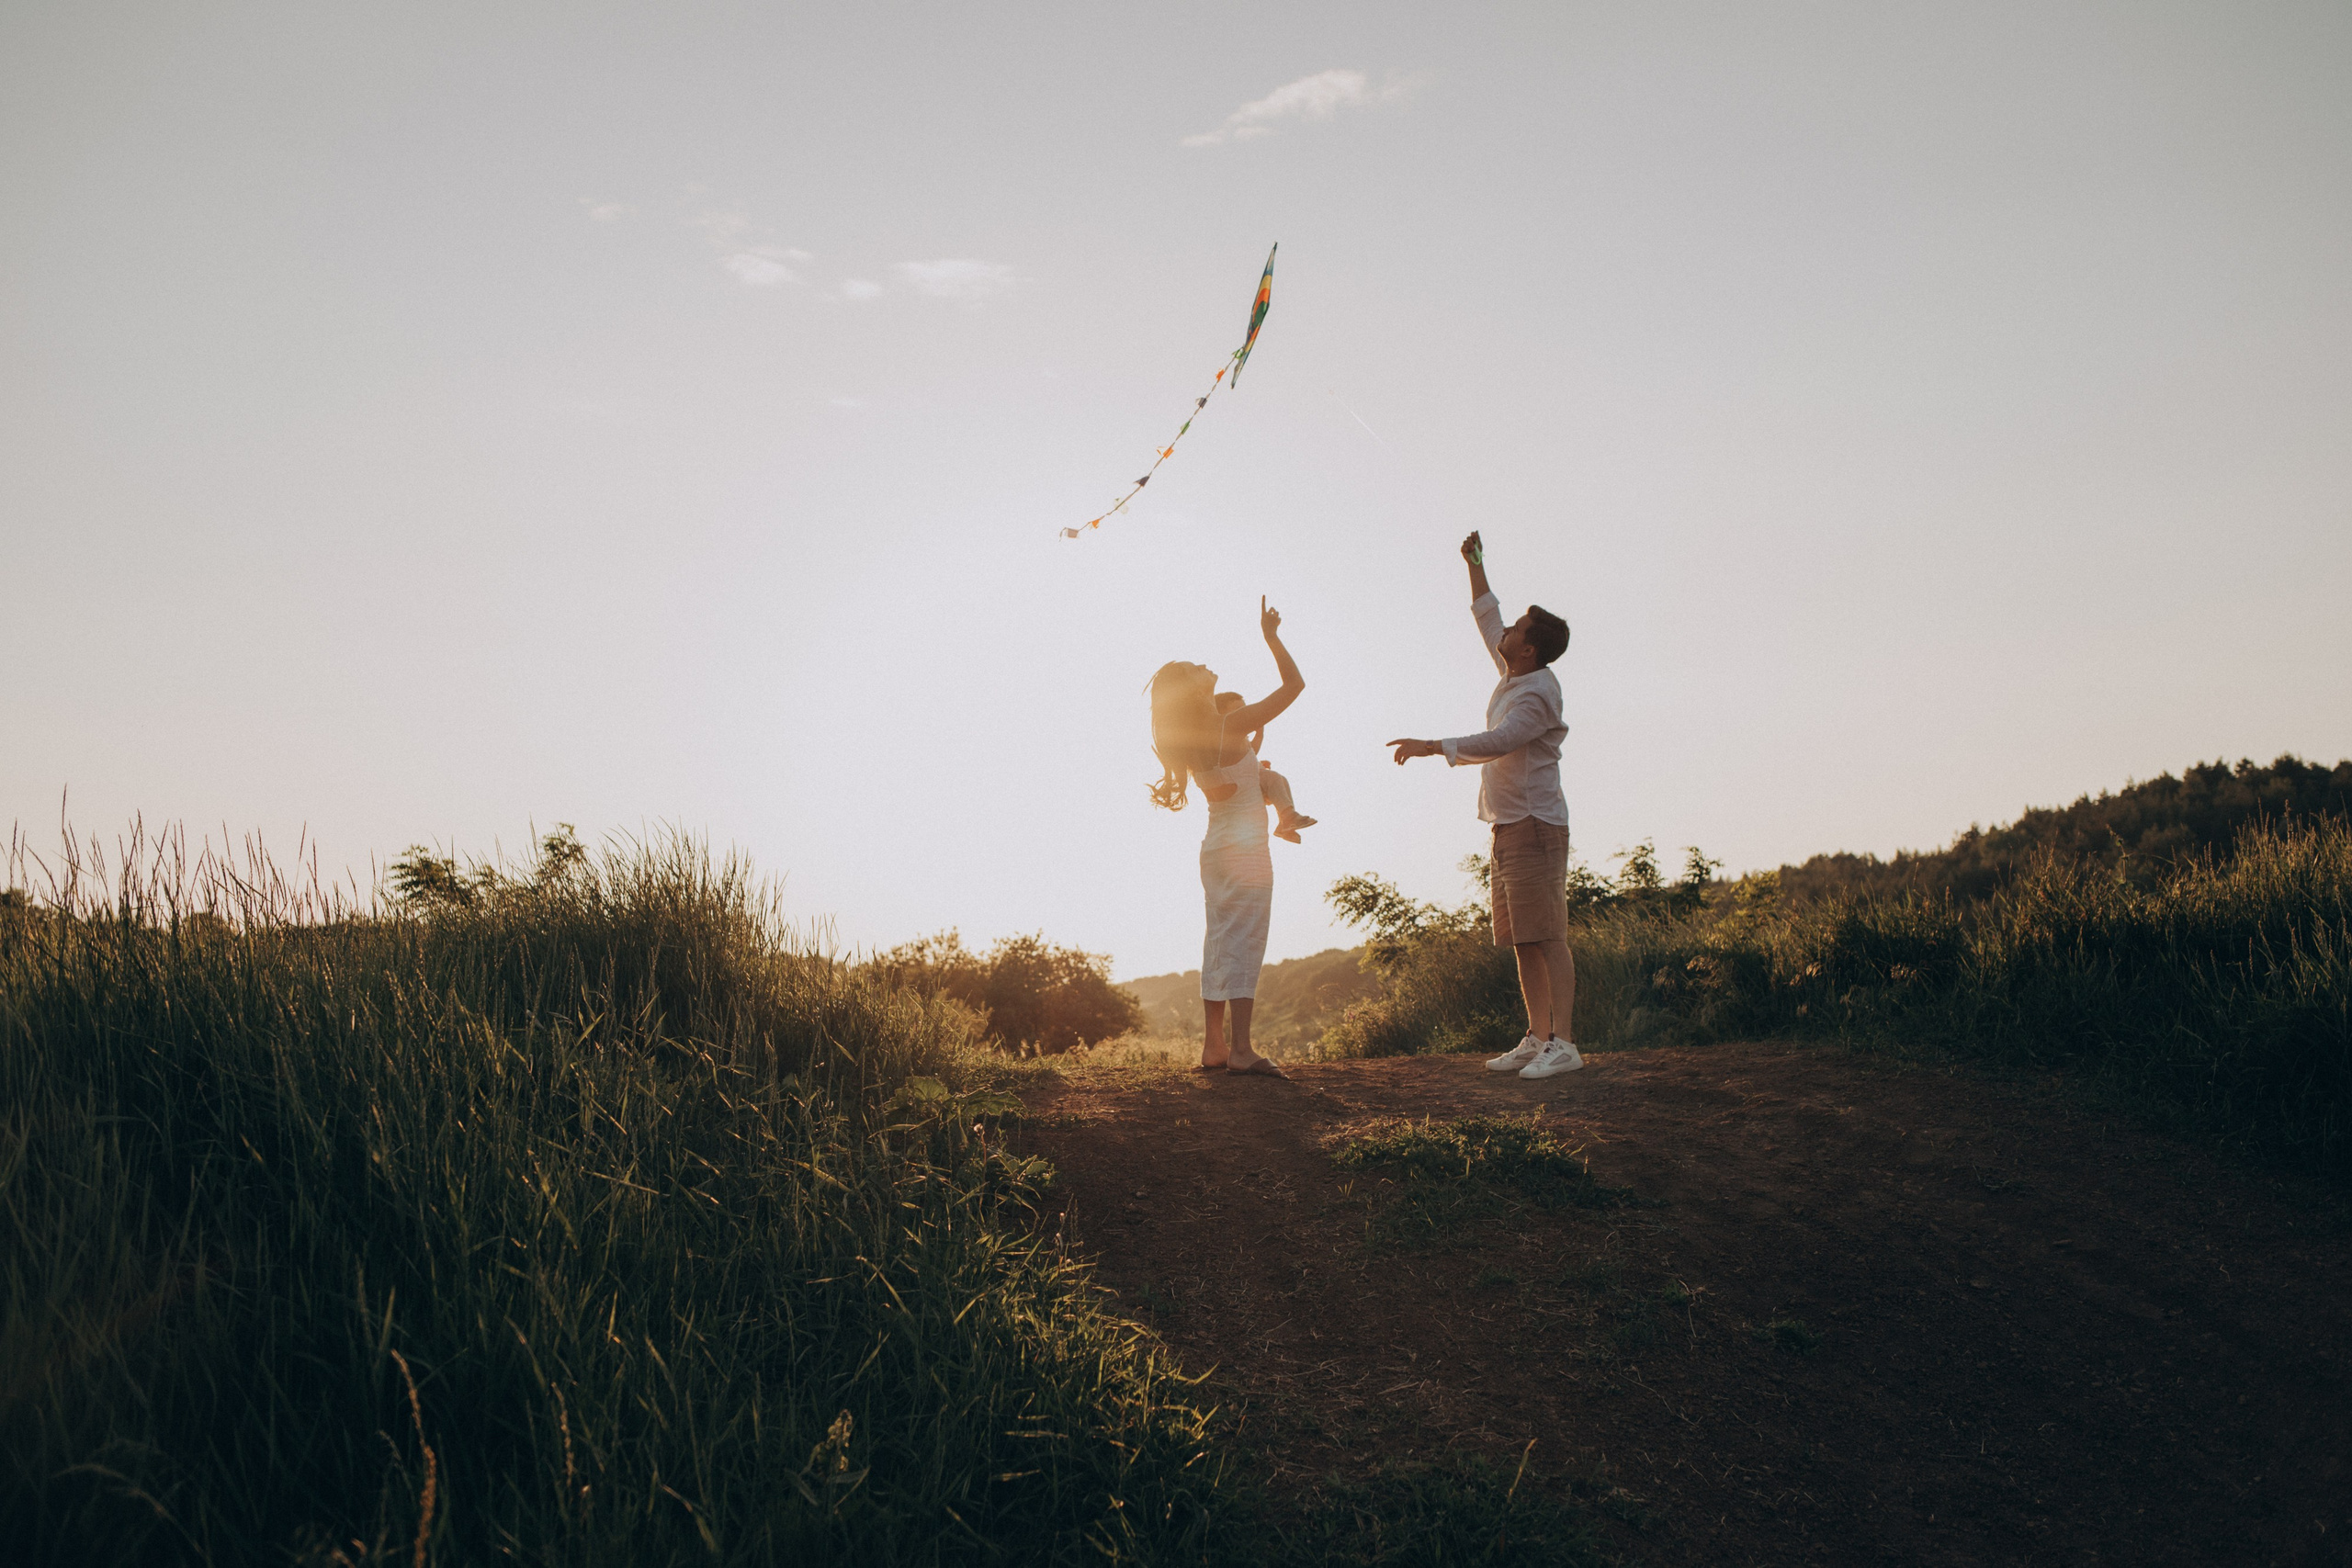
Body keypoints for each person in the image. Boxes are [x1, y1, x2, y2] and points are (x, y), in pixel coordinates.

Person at [1386, 531, 1581, 1079]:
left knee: (1548, 936)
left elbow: (1500, 742)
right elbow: (1487, 617)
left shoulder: (1538, 691)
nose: (1508, 631)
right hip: (1507, 824)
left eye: (1518, 629)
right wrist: (1475, 564)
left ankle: (1563, 1043)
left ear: (1530, 649)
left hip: (1536, 826)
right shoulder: (1515, 671)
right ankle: (1536, 1037)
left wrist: (1433, 746)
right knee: (1522, 940)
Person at [1148, 598, 1306, 1077]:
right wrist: (1272, 638)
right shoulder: (1228, 724)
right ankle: (1241, 1051)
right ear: (1192, 689)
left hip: (1215, 850)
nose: (1204, 665)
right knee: (1246, 942)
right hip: (1247, 853)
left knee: (1218, 940)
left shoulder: (1188, 738)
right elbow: (1294, 686)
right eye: (1195, 667)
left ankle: (1213, 1047)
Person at [1214, 690, 1318, 842]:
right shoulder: (1226, 734)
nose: (1244, 713)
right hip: (1241, 781)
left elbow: (1249, 753)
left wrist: (1259, 761)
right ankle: (1288, 817)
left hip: (1252, 773)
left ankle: (1286, 823)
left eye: (1245, 709)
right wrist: (1260, 735)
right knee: (1274, 778)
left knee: (1281, 779)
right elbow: (1248, 753)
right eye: (1238, 710)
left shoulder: (1241, 736)